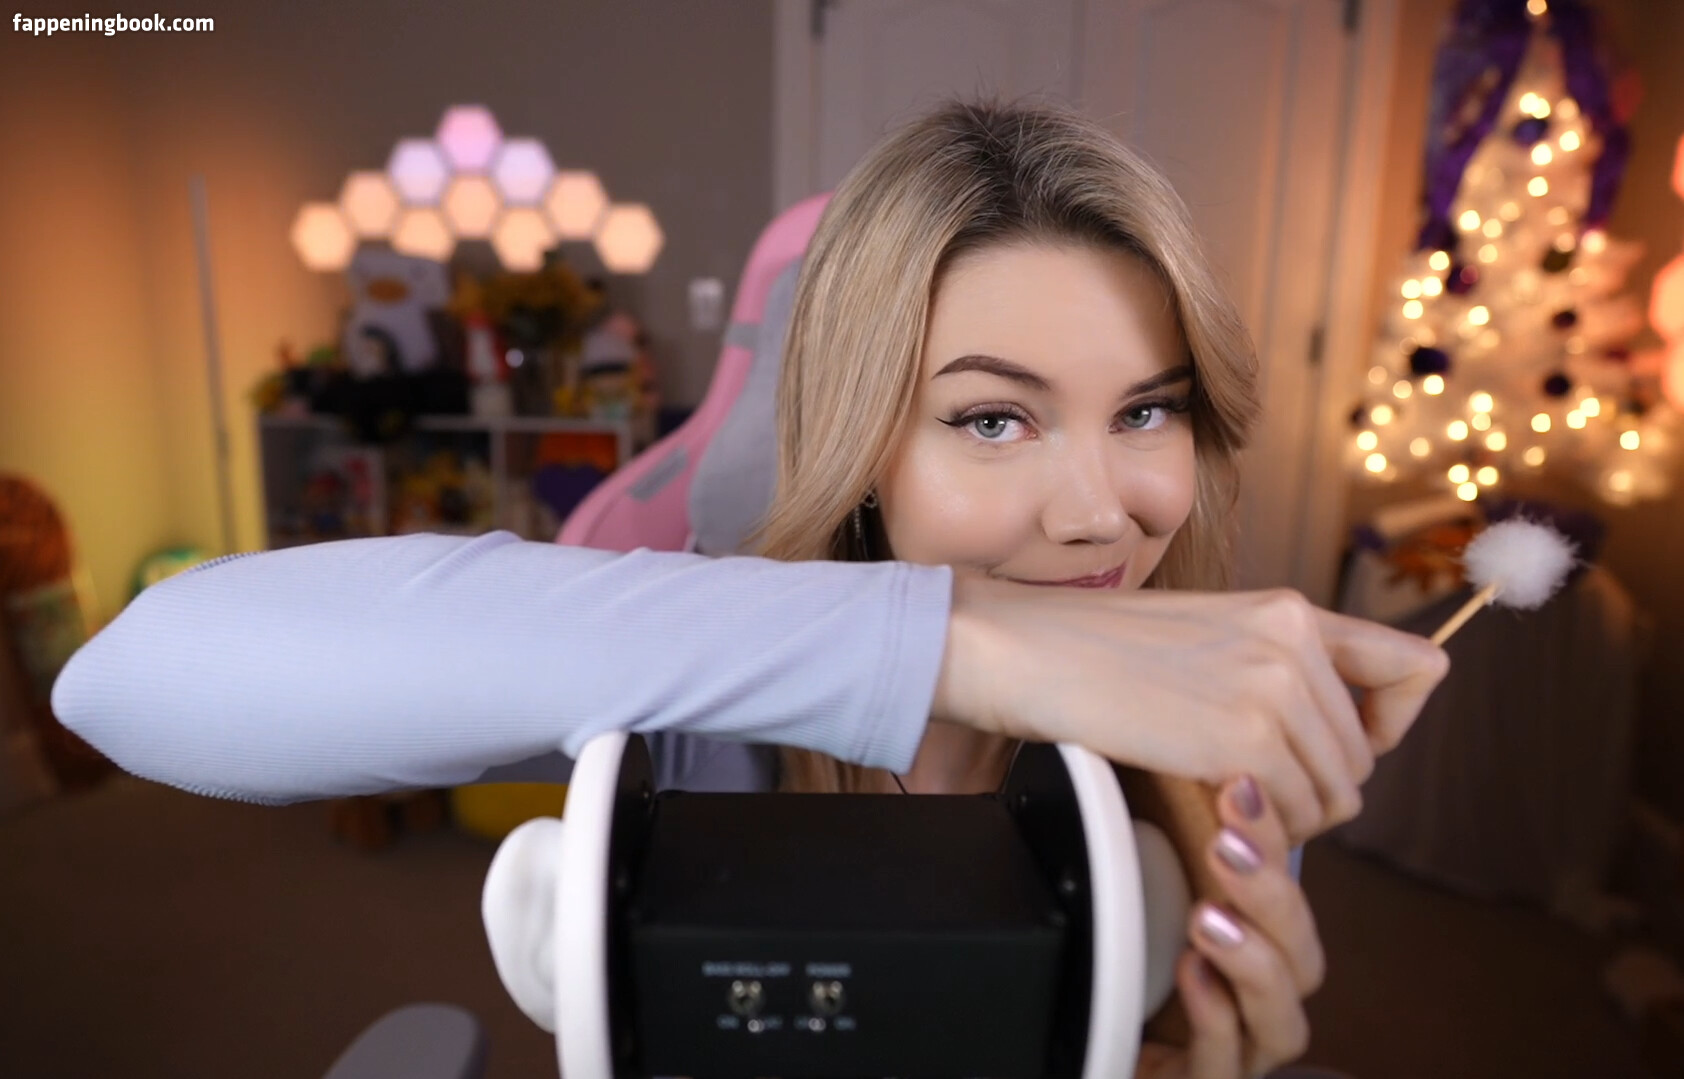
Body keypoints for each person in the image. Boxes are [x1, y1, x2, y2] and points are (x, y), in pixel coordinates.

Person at [52, 100, 1449, 1078]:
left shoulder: (1206, 758)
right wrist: (955, 644)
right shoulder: (704, 706)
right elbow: (136, 674)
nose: (1104, 511)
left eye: (1149, 410)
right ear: (860, 444)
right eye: (991, 419)